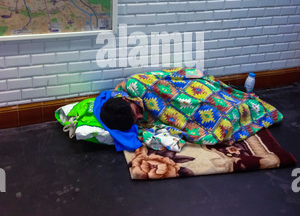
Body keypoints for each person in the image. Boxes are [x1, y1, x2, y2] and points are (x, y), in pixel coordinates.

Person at [93, 67, 283, 153]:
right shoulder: (122, 116)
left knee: (219, 103)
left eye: (137, 111)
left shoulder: (132, 85)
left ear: (126, 99)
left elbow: (164, 83)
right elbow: (158, 120)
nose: (141, 117)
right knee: (219, 121)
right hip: (179, 110)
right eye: (136, 120)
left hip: (187, 88)